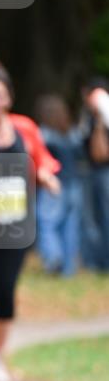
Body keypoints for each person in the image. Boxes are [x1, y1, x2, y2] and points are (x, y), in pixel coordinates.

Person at [0, 64, 61, 381]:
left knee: (4, 289)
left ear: (9, 96)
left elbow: (42, 158)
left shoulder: (24, 127)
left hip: (14, 225)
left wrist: (47, 176)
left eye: (1, 93)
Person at [34, 95, 84, 276]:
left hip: (53, 186)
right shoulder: (72, 133)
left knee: (47, 223)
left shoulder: (44, 133)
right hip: (75, 185)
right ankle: (68, 269)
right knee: (70, 227)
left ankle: (53, 258)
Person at [79, 78, 109, 271]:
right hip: (95, 173)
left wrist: (98, 122)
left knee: (103, 217)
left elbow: (100, 155)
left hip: (103, 173)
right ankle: (98, 261)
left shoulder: (100, 118)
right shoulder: (90, 117)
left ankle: (103, 262)